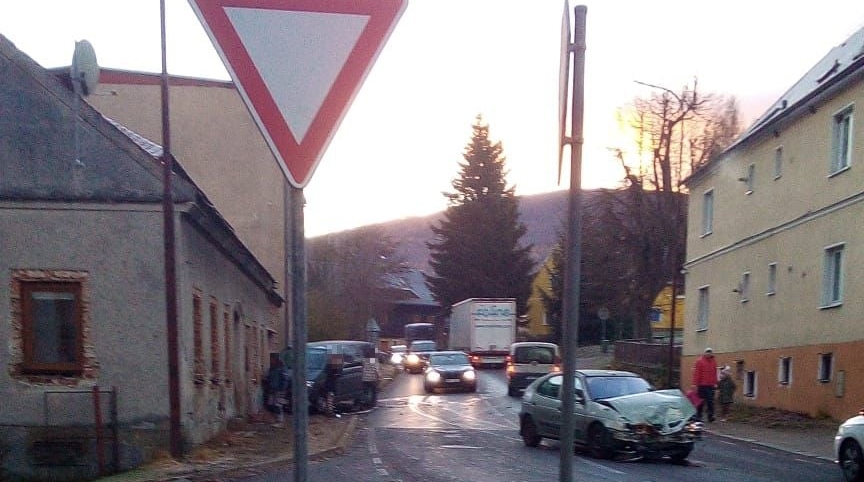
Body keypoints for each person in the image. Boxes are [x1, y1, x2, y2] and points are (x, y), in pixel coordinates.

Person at [692, 347, 719, 422]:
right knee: (701, 401)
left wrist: (715, 383)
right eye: (707, 352)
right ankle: (699, 416)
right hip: (702, 385)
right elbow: (697, 373)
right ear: (705, 353)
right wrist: (695, 384)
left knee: (710, 401)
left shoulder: (713, 361)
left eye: (710, 352)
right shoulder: (700, 361)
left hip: (710, 385)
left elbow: (714, 373)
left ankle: (710, 416)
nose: (709, 353)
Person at [265, 353, 287, 425]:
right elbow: (269, 378)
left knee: (278, 405)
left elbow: (284, 379)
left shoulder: (281, 368)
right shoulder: (271, 369)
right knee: (271, 404)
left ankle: (280, 421)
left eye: (272, 359)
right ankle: (275, 419)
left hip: (278, 390)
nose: (271, 360)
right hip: (272, 389)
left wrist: (282, 389)